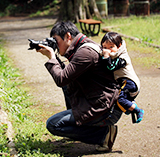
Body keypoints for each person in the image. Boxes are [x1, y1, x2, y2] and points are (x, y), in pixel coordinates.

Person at [35, 21, 122, 152]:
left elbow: (61, 79)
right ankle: (80, 126)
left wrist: (52, 57)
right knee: (68, 85)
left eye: (56, 40)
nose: (55, 45)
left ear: (68, 36)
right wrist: (55, 58)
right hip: (98, 100)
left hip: (104, 107)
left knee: (53, 124)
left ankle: (103, 135)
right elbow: (66, 76)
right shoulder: (81, 46)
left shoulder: (86, 52)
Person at [101, 32, 144, 123]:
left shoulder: (123, 58)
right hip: (126, 83)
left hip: (130, 83)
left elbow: (110, 67)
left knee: (120, 99)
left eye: (111, 47)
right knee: (119, 100)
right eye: (104, 47)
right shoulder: (116, 55)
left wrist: (105, 56)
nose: (108, 50)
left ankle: (137, 110)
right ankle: (129, 108)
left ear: (119, 46)